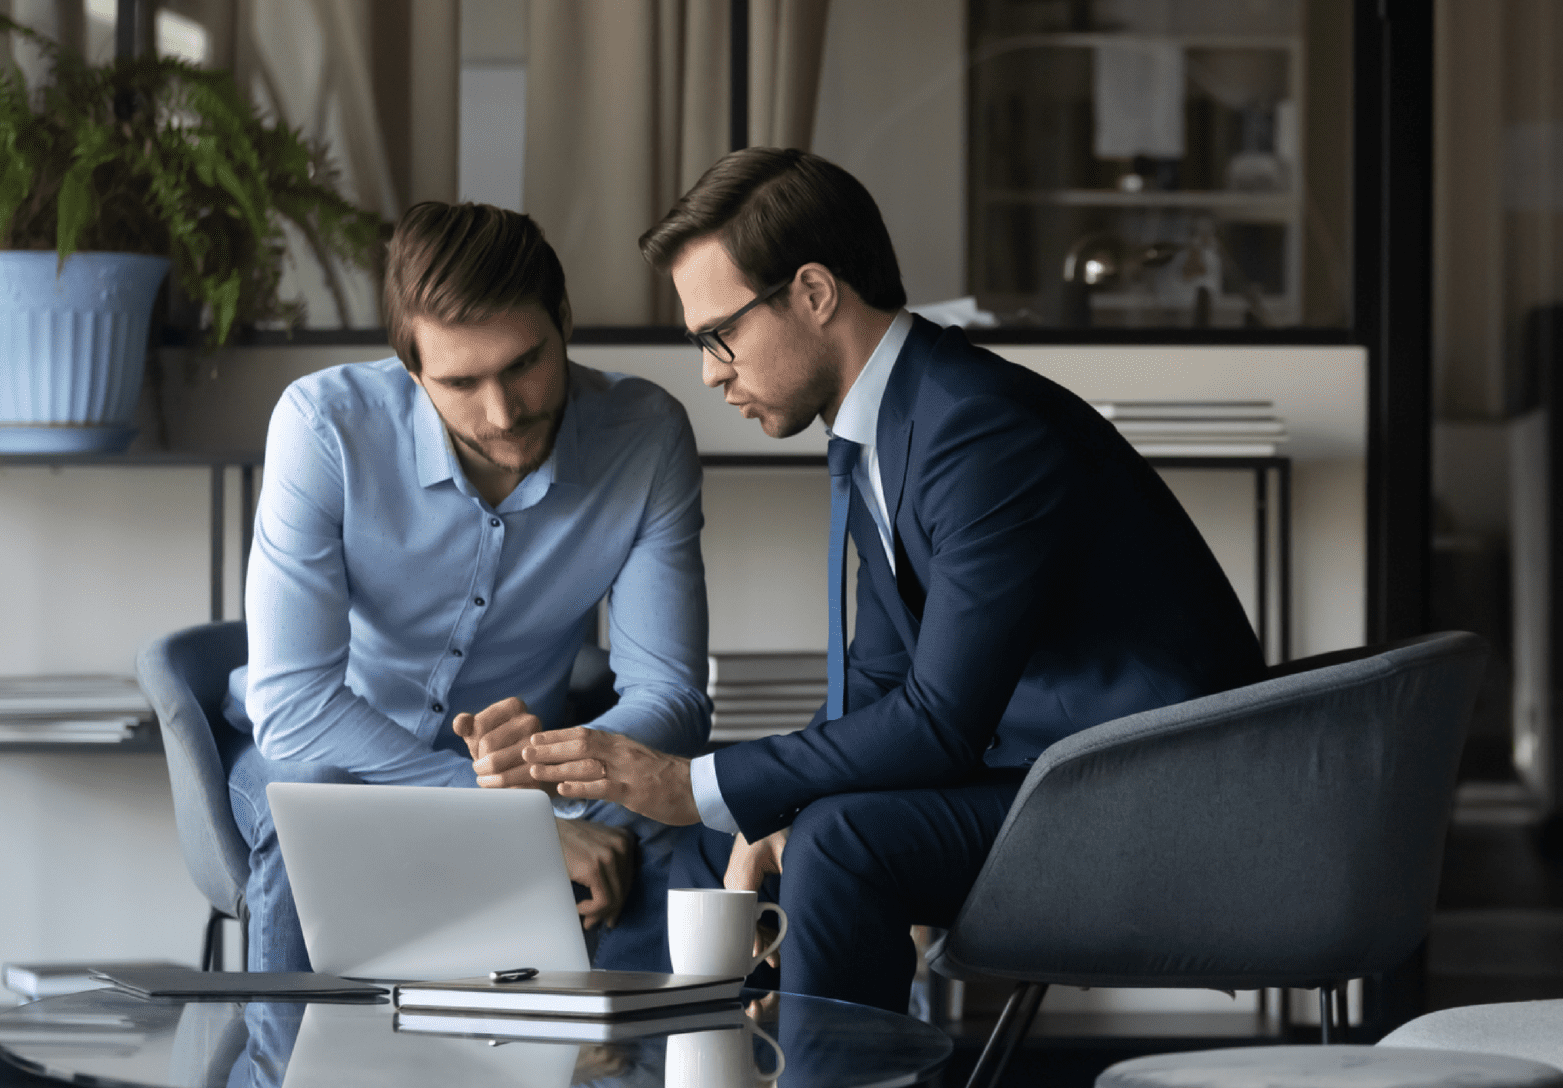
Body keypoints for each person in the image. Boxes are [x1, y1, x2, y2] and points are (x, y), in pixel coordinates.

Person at [479, 148, 1268, 1010]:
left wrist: (696, 782)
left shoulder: (977, 430)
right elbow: (881, 684)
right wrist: (751, 809)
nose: (710, 371)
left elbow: (939, 721)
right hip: (1043, 776)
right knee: (707, 851)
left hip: (1142, 797)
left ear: (814, 294)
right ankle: (633, 1063)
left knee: (839, 839)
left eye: (720, 335)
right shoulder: (891, 425)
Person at [223, 200, 721, 973]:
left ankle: (617, 1064)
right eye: (460, 382)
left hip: (529, 778)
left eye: (525, 363)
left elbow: (673, 699)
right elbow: (294, 712)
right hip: (332, 758)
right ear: (412, 368)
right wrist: (509, 820)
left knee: (669, 813)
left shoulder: (645, 437)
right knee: (314, 804)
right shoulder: (324, 429)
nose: (503, 413)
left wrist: (561, 769)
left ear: (562, 319)